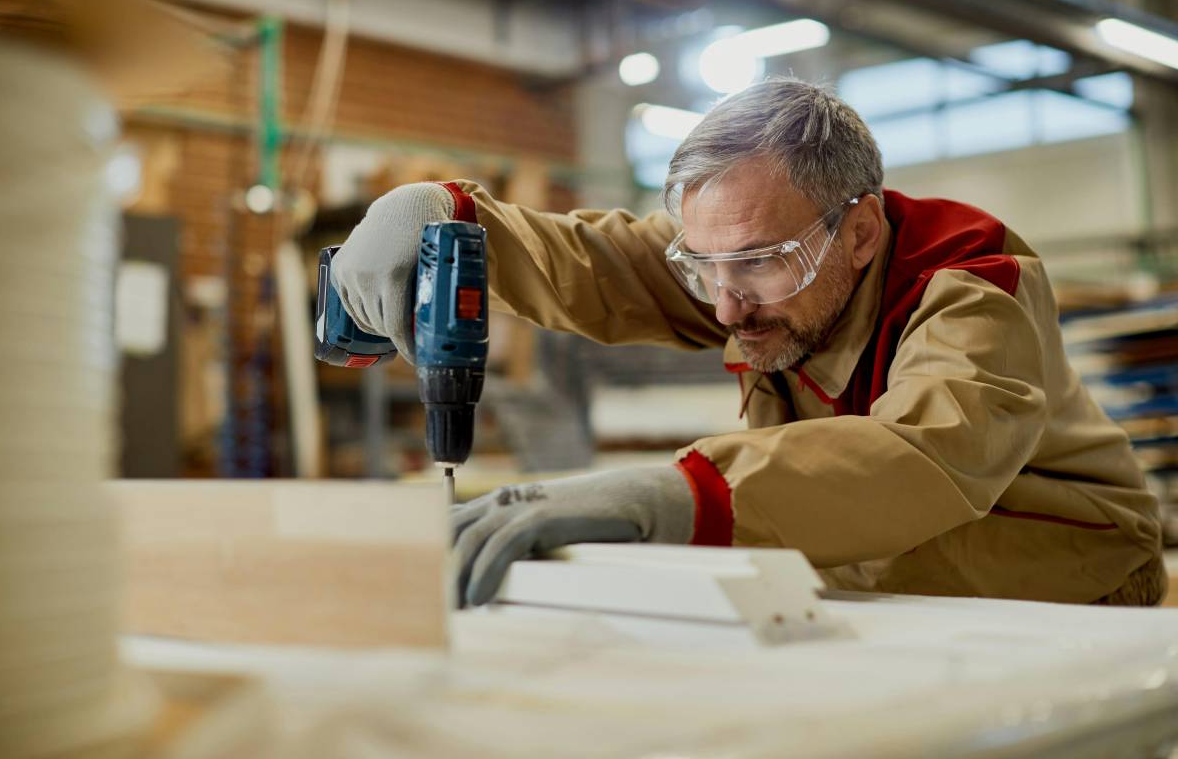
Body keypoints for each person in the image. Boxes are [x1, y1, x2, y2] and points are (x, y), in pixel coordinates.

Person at [331, 78, 1167, 609]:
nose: (727, 306)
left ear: (863, 230)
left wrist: (675, 494)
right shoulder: (751, 270)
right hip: (879, 568)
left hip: (1065, 580)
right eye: (703, 267)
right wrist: (443, 214)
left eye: (762, 264)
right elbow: (598, 262)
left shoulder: (973, 286)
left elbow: (924, 456)